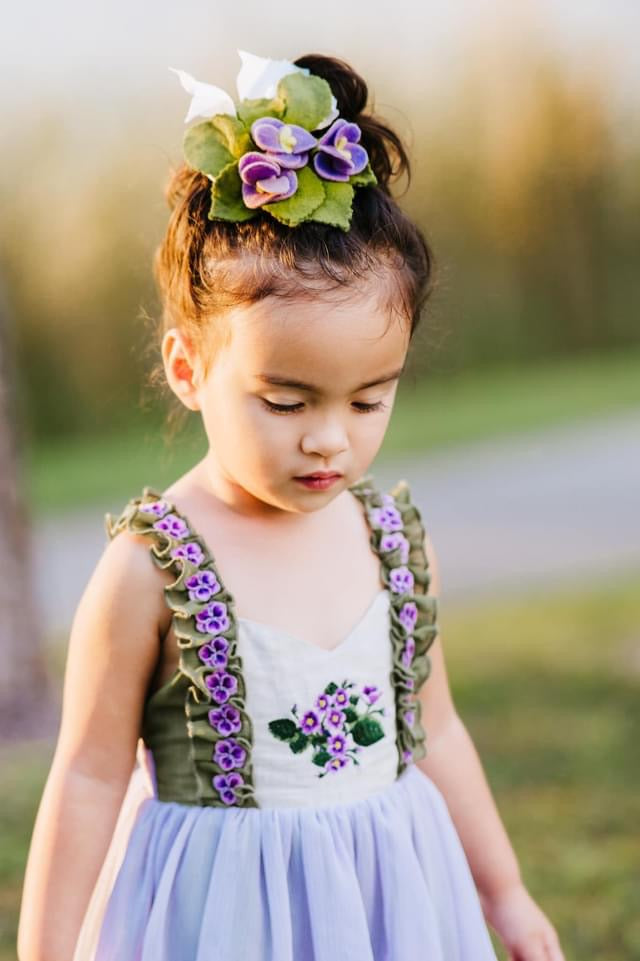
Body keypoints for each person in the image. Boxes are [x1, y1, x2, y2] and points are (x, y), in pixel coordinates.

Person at [18, 49, 565, 961]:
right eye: (286, 401)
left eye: (368, 399)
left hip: (388, 891)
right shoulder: (151, 568)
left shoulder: (387, 541)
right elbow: (86, 775)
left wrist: (502, 892)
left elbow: (440, 728)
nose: (330, 439)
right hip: (226, 914)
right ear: (189, 368)